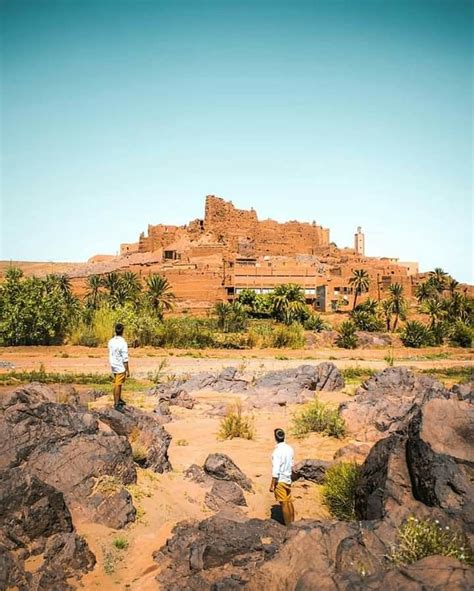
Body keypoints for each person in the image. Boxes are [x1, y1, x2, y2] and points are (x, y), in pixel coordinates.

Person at [269, 428, 295, 526]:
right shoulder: (289, 449)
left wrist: (272, 485)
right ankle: (293, 523)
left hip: (280, 480)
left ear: (275, 438)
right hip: (288, 478)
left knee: (284, 503)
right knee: (288, 501)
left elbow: (276, 470)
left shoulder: (276, 452)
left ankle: (288, 526)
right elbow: (292, 464)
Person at [108, 322, 130, 412]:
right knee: (118, 384)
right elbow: (125, 358)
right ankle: (116, 404)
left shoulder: (111, 341)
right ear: (122, 331)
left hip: (113, 364)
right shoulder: (123, 343)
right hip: (120, 366)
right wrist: (127, 370)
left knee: (117, 382)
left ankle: (119, 399)